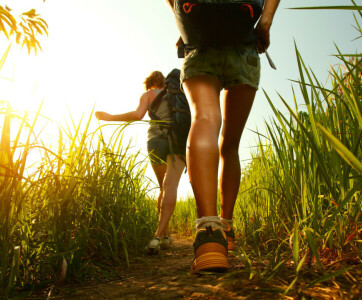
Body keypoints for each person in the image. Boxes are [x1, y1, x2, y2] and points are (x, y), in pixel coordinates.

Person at [165, 0, 280, 273]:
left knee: (205, 119)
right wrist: (265, 22)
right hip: (244, 46)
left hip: (200, 46)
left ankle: (209, 235)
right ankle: (226, 229)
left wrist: (185, 24)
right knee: (230, 143)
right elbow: (265, 16)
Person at [95, 71, 186, 254]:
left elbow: (138, 115)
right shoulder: (179, 96)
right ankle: (161, 235)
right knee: (171, 186)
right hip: (177, 140)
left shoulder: (148, 95)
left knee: (163, 187)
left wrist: (110, 117)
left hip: (156, 140)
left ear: (149, 82)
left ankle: (163, 235)